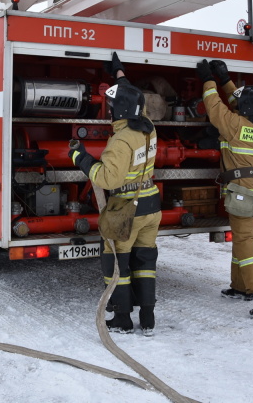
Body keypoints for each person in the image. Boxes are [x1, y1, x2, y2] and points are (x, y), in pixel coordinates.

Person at [68, 53, 162, 336]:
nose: (108, 111)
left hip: (126, 210)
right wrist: (119, 73)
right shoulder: (148, 128)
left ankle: (122, 318)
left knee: (117, 262)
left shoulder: (120, 140)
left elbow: (109, 178)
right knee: (145, 261)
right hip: (151, 207)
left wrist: (81, 159)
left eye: (110, 107)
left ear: (118, 112)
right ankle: (147, 317)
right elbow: (134, 99)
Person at [196, 58, 253, 317]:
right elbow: (240, 104)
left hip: (242, 192)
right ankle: (242, 287)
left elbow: (214, 107)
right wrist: (226, 80)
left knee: (246, 240)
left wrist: (208, 80)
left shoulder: (234, 125)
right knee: (244, 239)